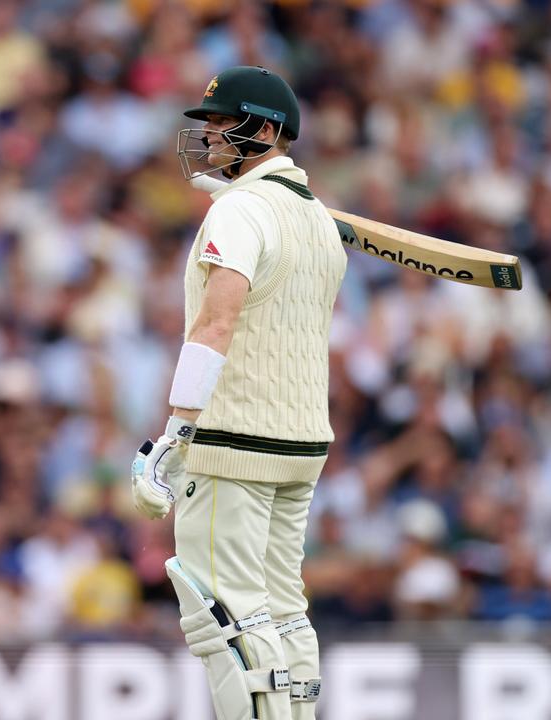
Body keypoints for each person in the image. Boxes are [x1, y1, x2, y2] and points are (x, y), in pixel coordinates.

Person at [131, 66, 345, 720]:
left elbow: (217, 320)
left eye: (224, 125)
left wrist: (178, 431)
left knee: (220, 611)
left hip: (232, 442)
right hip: (302, 440)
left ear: (268, 130)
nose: (211, 137)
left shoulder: (243, 209)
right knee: (282, 610)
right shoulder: (318, 220)